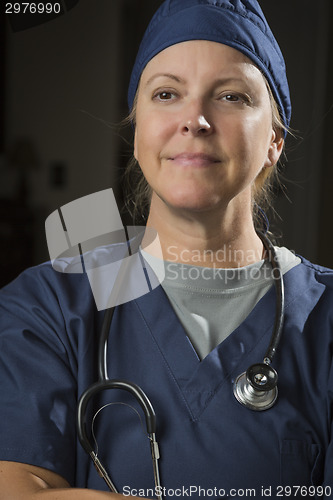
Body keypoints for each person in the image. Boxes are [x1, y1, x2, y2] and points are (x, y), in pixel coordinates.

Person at [0, 0, 332, 498]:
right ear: (137, 132)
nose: (195, 118)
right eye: (167, 93)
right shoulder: (45, 306)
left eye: (231, 97)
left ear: (275, 141)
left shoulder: (324, 317)